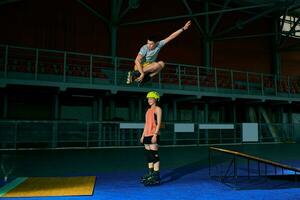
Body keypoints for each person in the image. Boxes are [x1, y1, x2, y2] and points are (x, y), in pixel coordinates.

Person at [126, 20, 192, 85]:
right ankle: (134, 74)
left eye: (151, 44)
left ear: (155, 43)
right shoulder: (144, 48)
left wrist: (183, 28)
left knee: (162, 64)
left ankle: (148, 77)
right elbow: (137, 60)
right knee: (157, 65)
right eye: (148, 43)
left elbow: (171, 37)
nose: (149, 45)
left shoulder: (159, 44)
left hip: (149, 66)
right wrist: (142, 73)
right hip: (140, 67)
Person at [140, 91, 162, 186]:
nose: (149, 100)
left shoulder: (158, 109)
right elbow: (146, 124)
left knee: (154, 156)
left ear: (155, 99)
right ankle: (150, 174)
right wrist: (142, 135)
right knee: (149, 156)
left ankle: (156, 177)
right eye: (148, 98)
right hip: (146, 135)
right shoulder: (148, 110)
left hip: (153, 135)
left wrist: (155, 135)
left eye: (151, 98)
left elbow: (159, 123)